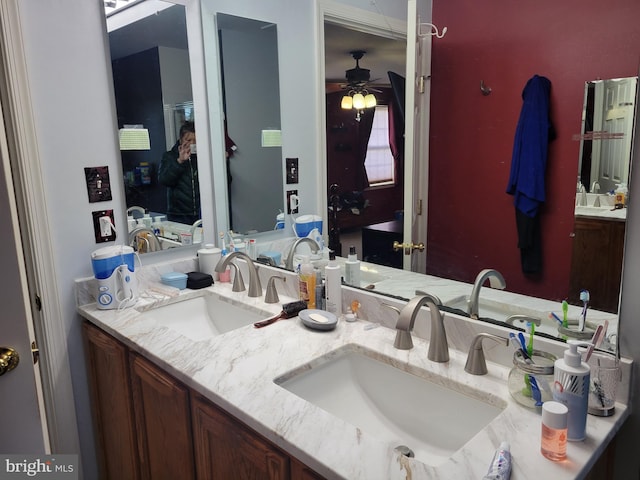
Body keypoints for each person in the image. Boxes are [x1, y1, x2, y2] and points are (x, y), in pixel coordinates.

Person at [158, 121, 201, 225]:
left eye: (195, 140)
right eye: (188, 140)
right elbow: (164, 180)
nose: (192, 143)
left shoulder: (203, 157)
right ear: (181, 140)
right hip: (179, 215)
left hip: (203, 212)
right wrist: (180, 161)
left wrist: (222, 162)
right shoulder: (169, 156)